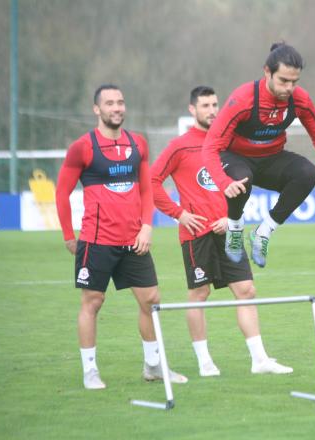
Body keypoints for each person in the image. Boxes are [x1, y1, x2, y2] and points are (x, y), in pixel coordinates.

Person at [151, 86, 292, 376]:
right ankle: (204, 362)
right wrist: (179, 214)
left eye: (215, 104)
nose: (212, 110)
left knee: (246, 290)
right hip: (197, 233)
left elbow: (245, 182)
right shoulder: (179, 146)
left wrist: (232, 218)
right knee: (199, 293)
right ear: (192, 110)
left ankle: (259, 359)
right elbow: (151, 181)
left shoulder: (230, 143)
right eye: (205, 105)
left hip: (230, 230)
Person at [55, 84, 188, 390]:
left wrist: (147, 226)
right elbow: (61, 192)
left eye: (121, 102)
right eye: (110, 103)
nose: (117, 108)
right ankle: (90, 371)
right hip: (97, 240)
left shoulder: (138, 144)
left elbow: (146, 190)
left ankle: (153, 365)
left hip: (133, 240)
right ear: (97, 109)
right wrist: (67, 235)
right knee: (93, 302)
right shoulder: (82, 147)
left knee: (151, 300)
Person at [202, 42, 315, 268]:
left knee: (308, 173)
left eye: (294, 82)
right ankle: (235, 227)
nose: (289, 88)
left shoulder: (299, 99)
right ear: (267, 72)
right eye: (283, 81)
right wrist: (223, 182)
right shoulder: (243, 99)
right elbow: (211, 146)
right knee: (243, 178)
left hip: (271, 158)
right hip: (236, 159)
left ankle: (263, 233)